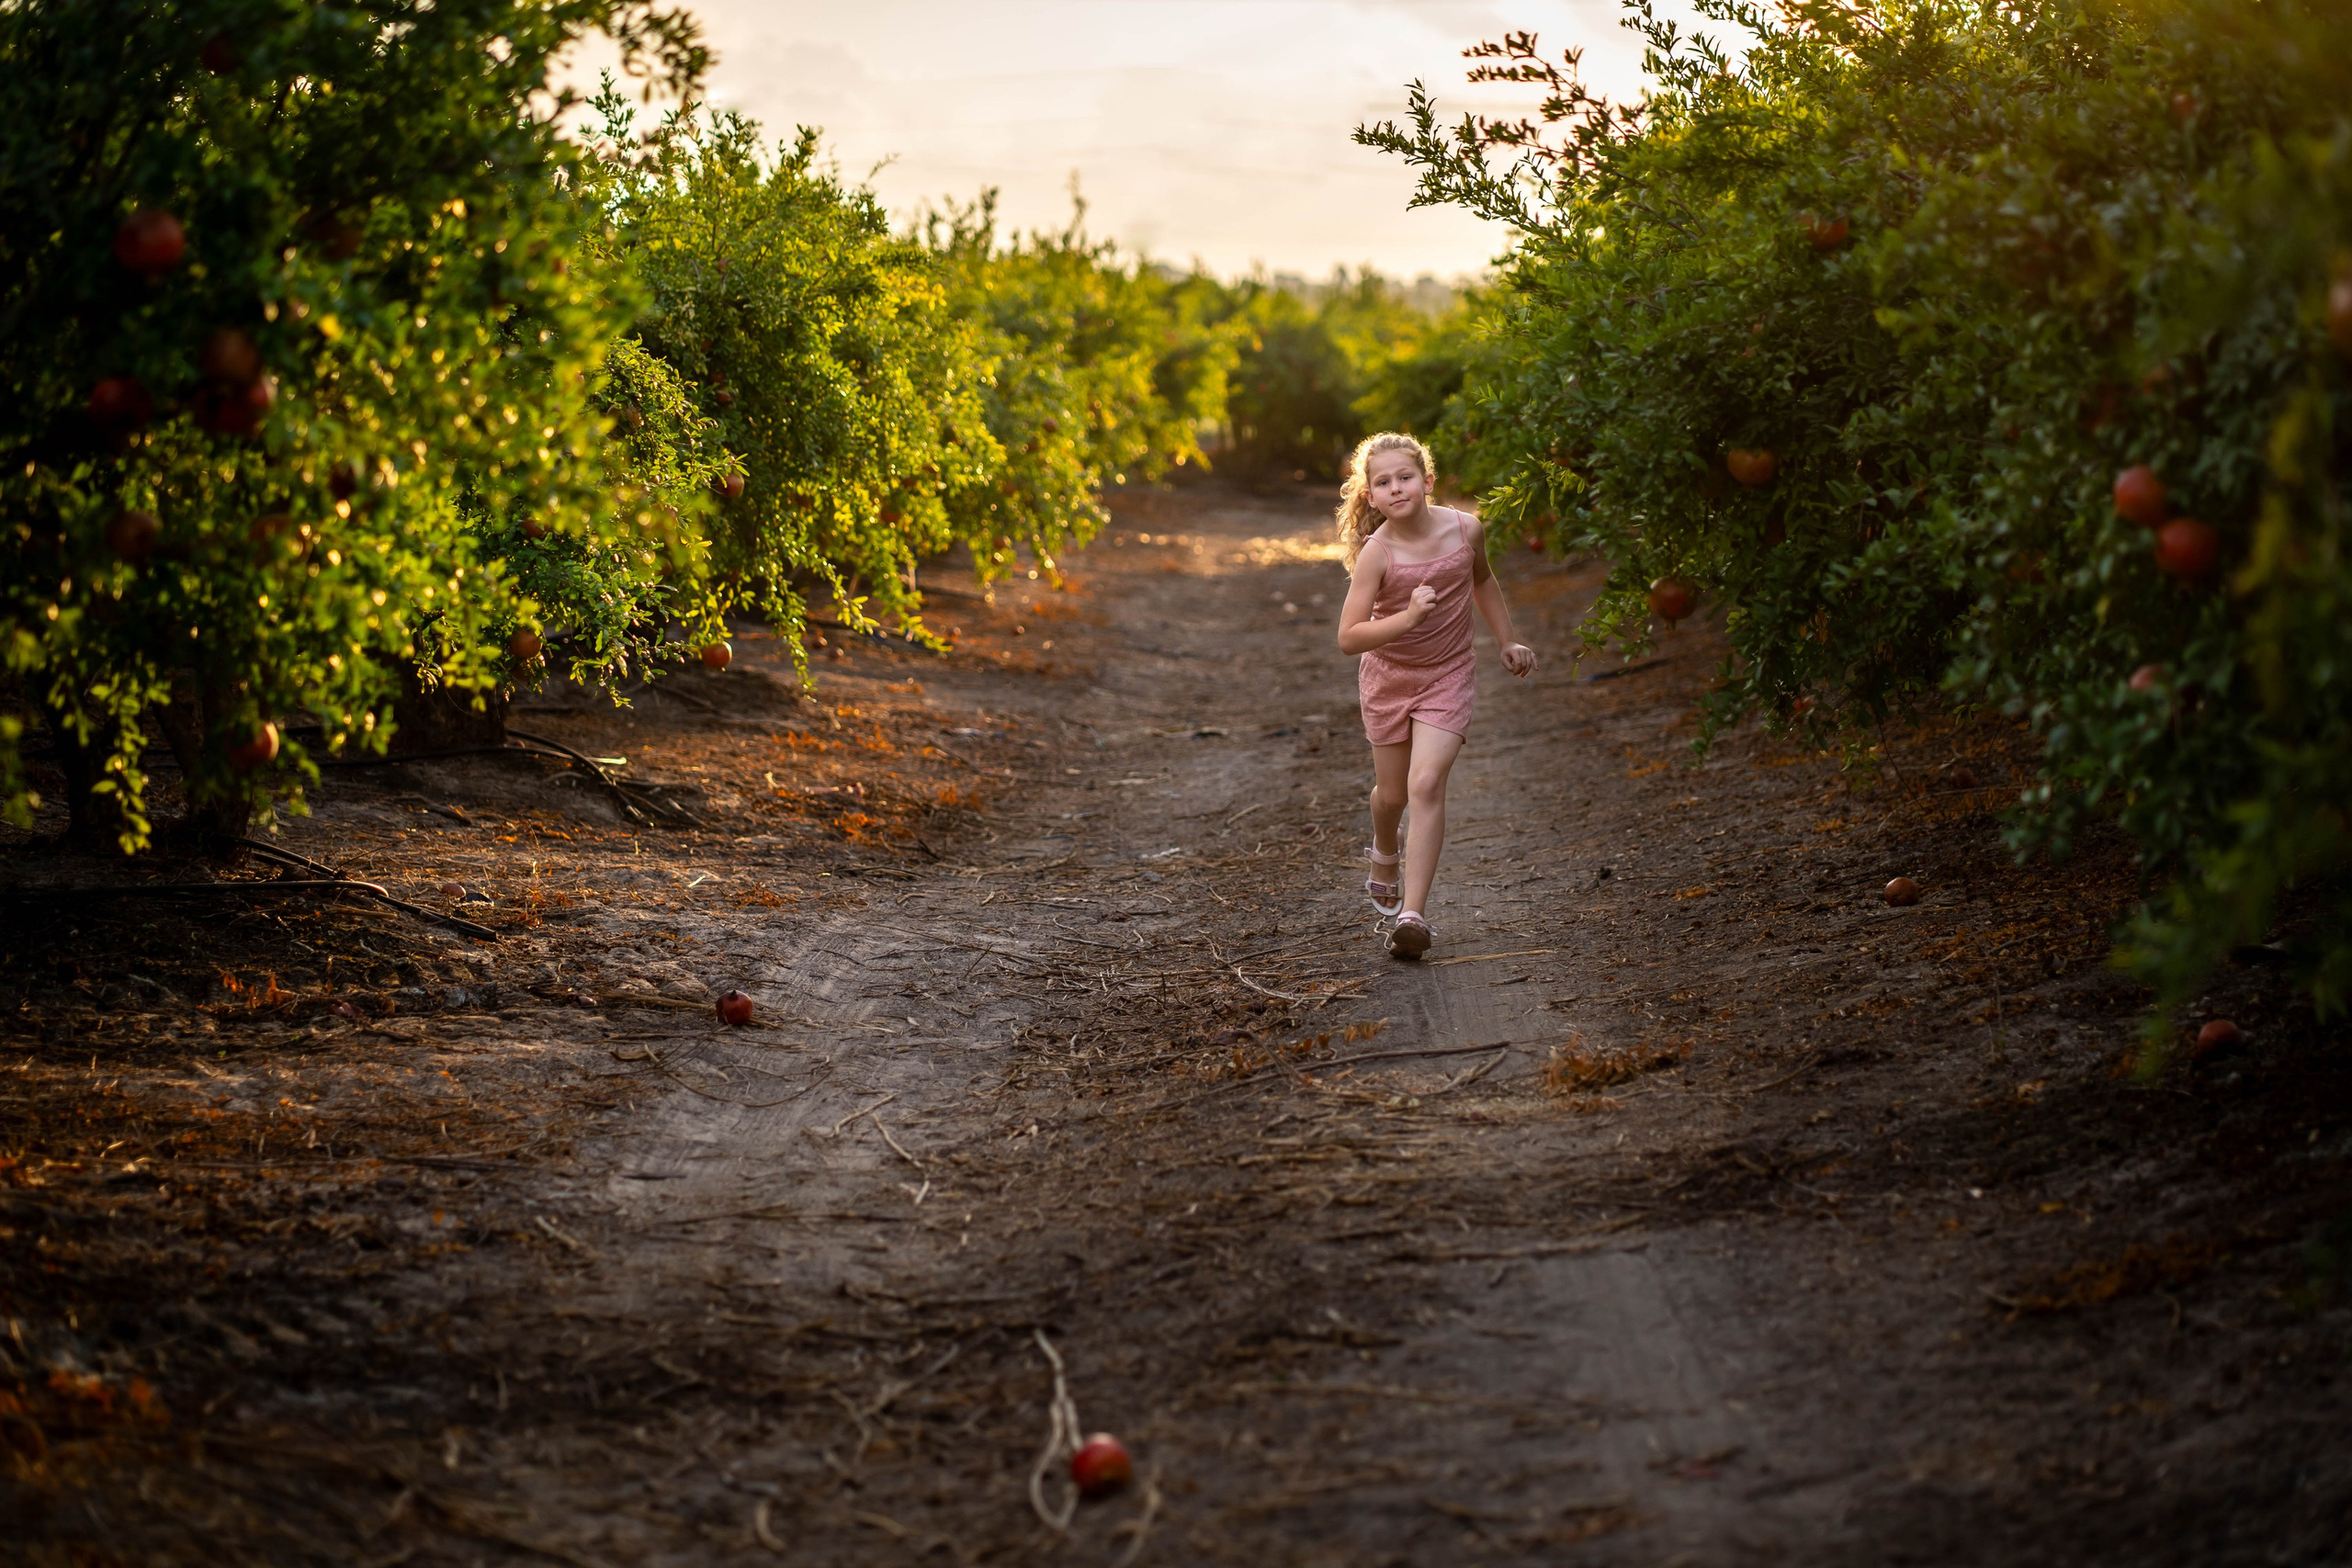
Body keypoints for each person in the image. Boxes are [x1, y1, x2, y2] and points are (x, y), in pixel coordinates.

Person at [1334, 432, 1536, 958]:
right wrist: (1409, 617)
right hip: (1389, 680)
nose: (1396, 488)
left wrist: (1506, 639)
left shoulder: (1465, 528)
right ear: (1371, 497)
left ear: (1427, 481)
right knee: (1393, 795)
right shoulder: (1377, 553)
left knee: (1426, 784)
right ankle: (1383, 847)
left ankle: (1414, 916)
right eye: (1383, 482)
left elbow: (1483, 581)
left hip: (1448, 675)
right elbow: (1349, 637)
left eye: (1405, 477)